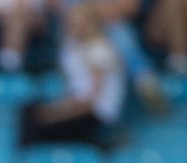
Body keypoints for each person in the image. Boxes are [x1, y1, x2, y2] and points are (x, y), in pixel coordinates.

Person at [19, 4, 126, 148]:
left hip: (96, 113)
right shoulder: (71, 46)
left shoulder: (99, 50)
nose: (75, 29)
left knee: (37, 124)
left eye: (81, 24)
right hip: (76, 104)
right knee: (29, 111)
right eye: (72, 24)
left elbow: (90, 102)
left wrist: (57, 114)